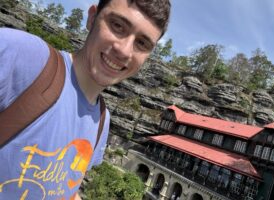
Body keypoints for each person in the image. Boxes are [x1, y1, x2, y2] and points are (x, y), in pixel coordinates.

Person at [0, 0, 171, 199]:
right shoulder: (22, 55)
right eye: (117, 25)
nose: (124, 50)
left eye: (141, 43)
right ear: (92, 17)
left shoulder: (102, 120)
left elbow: (65, 188)